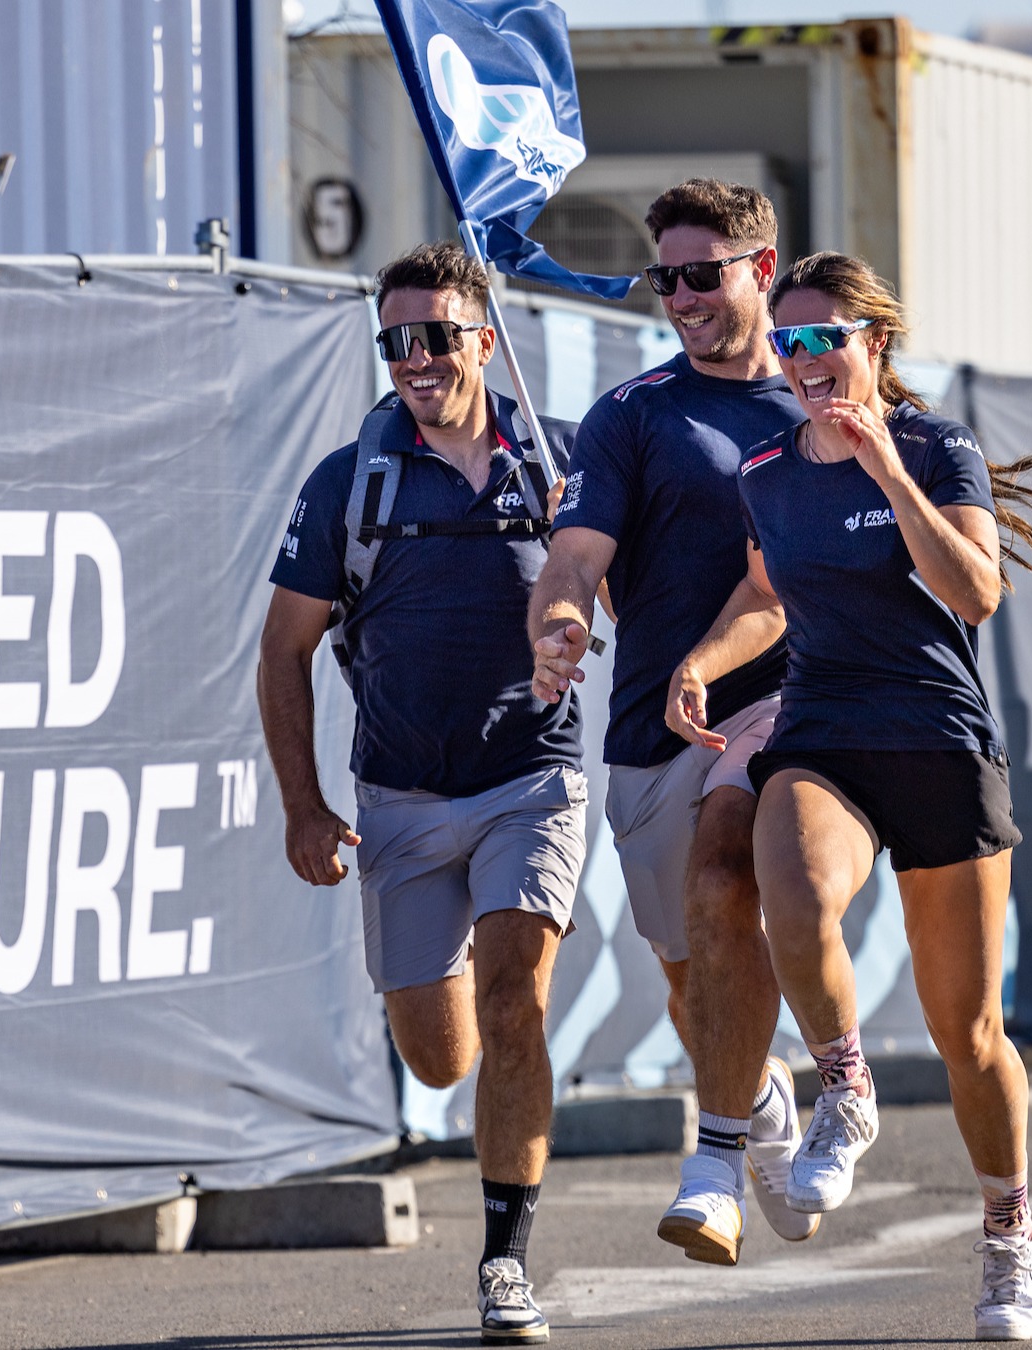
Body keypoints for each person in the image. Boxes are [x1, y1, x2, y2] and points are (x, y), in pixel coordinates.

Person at [695, 250, 1032, 1340]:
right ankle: (844, 1086)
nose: (806, 359)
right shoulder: (764, 469)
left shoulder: (935, 443)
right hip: (825, 734)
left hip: (941, 745)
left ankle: (1008, 1234)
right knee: (794, 901)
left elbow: (976, 591)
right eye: (792, 341)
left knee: (972, 1033)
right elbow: (768, 590)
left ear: (875, 345)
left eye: (828, 340)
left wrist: (886, 473)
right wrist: (704, 662)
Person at [259, 241, 584, 1344]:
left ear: (485, 340)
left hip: (530, 781)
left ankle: (504, 1260)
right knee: (442, 1056)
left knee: (514, 1005)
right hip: (397, 798)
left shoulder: (560, 463)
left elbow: (659, 572)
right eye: (395, 339)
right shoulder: (350, 481)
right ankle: (504, 1087)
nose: (416, 358)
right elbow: (281, 652)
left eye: (438, 334)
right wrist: (305, 804)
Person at [526, 179, 817, 1265]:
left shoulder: (819, 396)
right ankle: (762, 1098)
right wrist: (557, 622)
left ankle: (716, 1158)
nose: (683, 296)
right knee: (697, 968)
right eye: (667, 278)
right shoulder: (632, 414)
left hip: (793, 707)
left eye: (705, 273)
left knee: (728, 872)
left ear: (761, 264)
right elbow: (575, 557)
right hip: (657, 728)